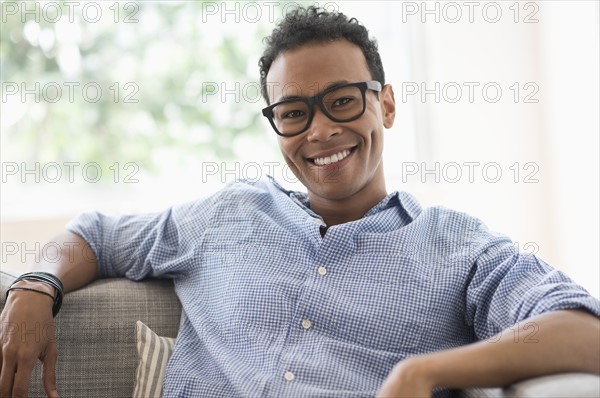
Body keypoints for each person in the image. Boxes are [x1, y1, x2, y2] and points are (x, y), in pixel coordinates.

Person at [1, 6, 599, 398]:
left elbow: (584, 333)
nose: (319, 131)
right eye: (294, 113)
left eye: (341, 100)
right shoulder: (227, 216)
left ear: (385, 104)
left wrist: (424, 372)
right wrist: (37, 282)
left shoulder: (458, 245)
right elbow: (96, 234)